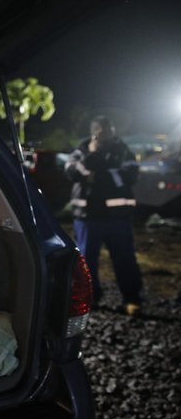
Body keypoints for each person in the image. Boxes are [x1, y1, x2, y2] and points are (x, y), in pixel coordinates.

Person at [65, 115, 143, 315]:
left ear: (113, 130)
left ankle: (131, 299)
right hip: (87, 217)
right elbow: (71, 171)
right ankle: (90, 299)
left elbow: (131, 175)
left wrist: (95, 175)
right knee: (86, 262)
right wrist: (93, 157)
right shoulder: (82, 149)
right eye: (100, 129)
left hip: (117, 217)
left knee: (124, 259)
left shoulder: (123, 150)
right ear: (93, 130)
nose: (105, 133)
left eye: (108, 129)